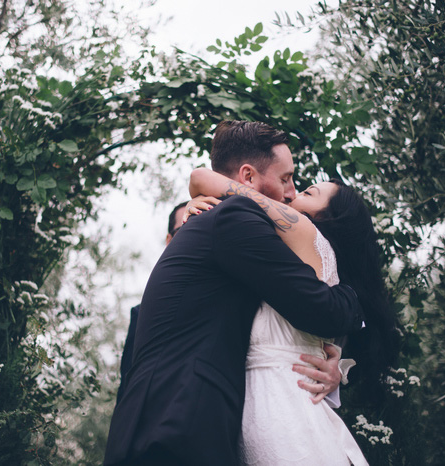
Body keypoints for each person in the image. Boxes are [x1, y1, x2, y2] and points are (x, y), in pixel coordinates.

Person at [103, 120, 364, 466]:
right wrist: (355, 298)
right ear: (248, 177)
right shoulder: (234, 217)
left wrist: (335, 364)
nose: (290, 192)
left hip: (172, 420)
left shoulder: (214, 219)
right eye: (286, 178)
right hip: (177, 424)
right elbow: (320, 308)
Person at [187, 167, 399, 465]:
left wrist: (201, 200)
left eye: (308, 193)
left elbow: (200, 177)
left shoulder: (300, 228)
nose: (293, 193)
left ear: (327, 218)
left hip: (282, 411)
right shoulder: (319, 271)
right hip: (288, 408)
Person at [116, 201, 189, 403]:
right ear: (169, 239)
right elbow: (127, 388)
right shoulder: (141, 315)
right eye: (186, 229)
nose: (195, 235)